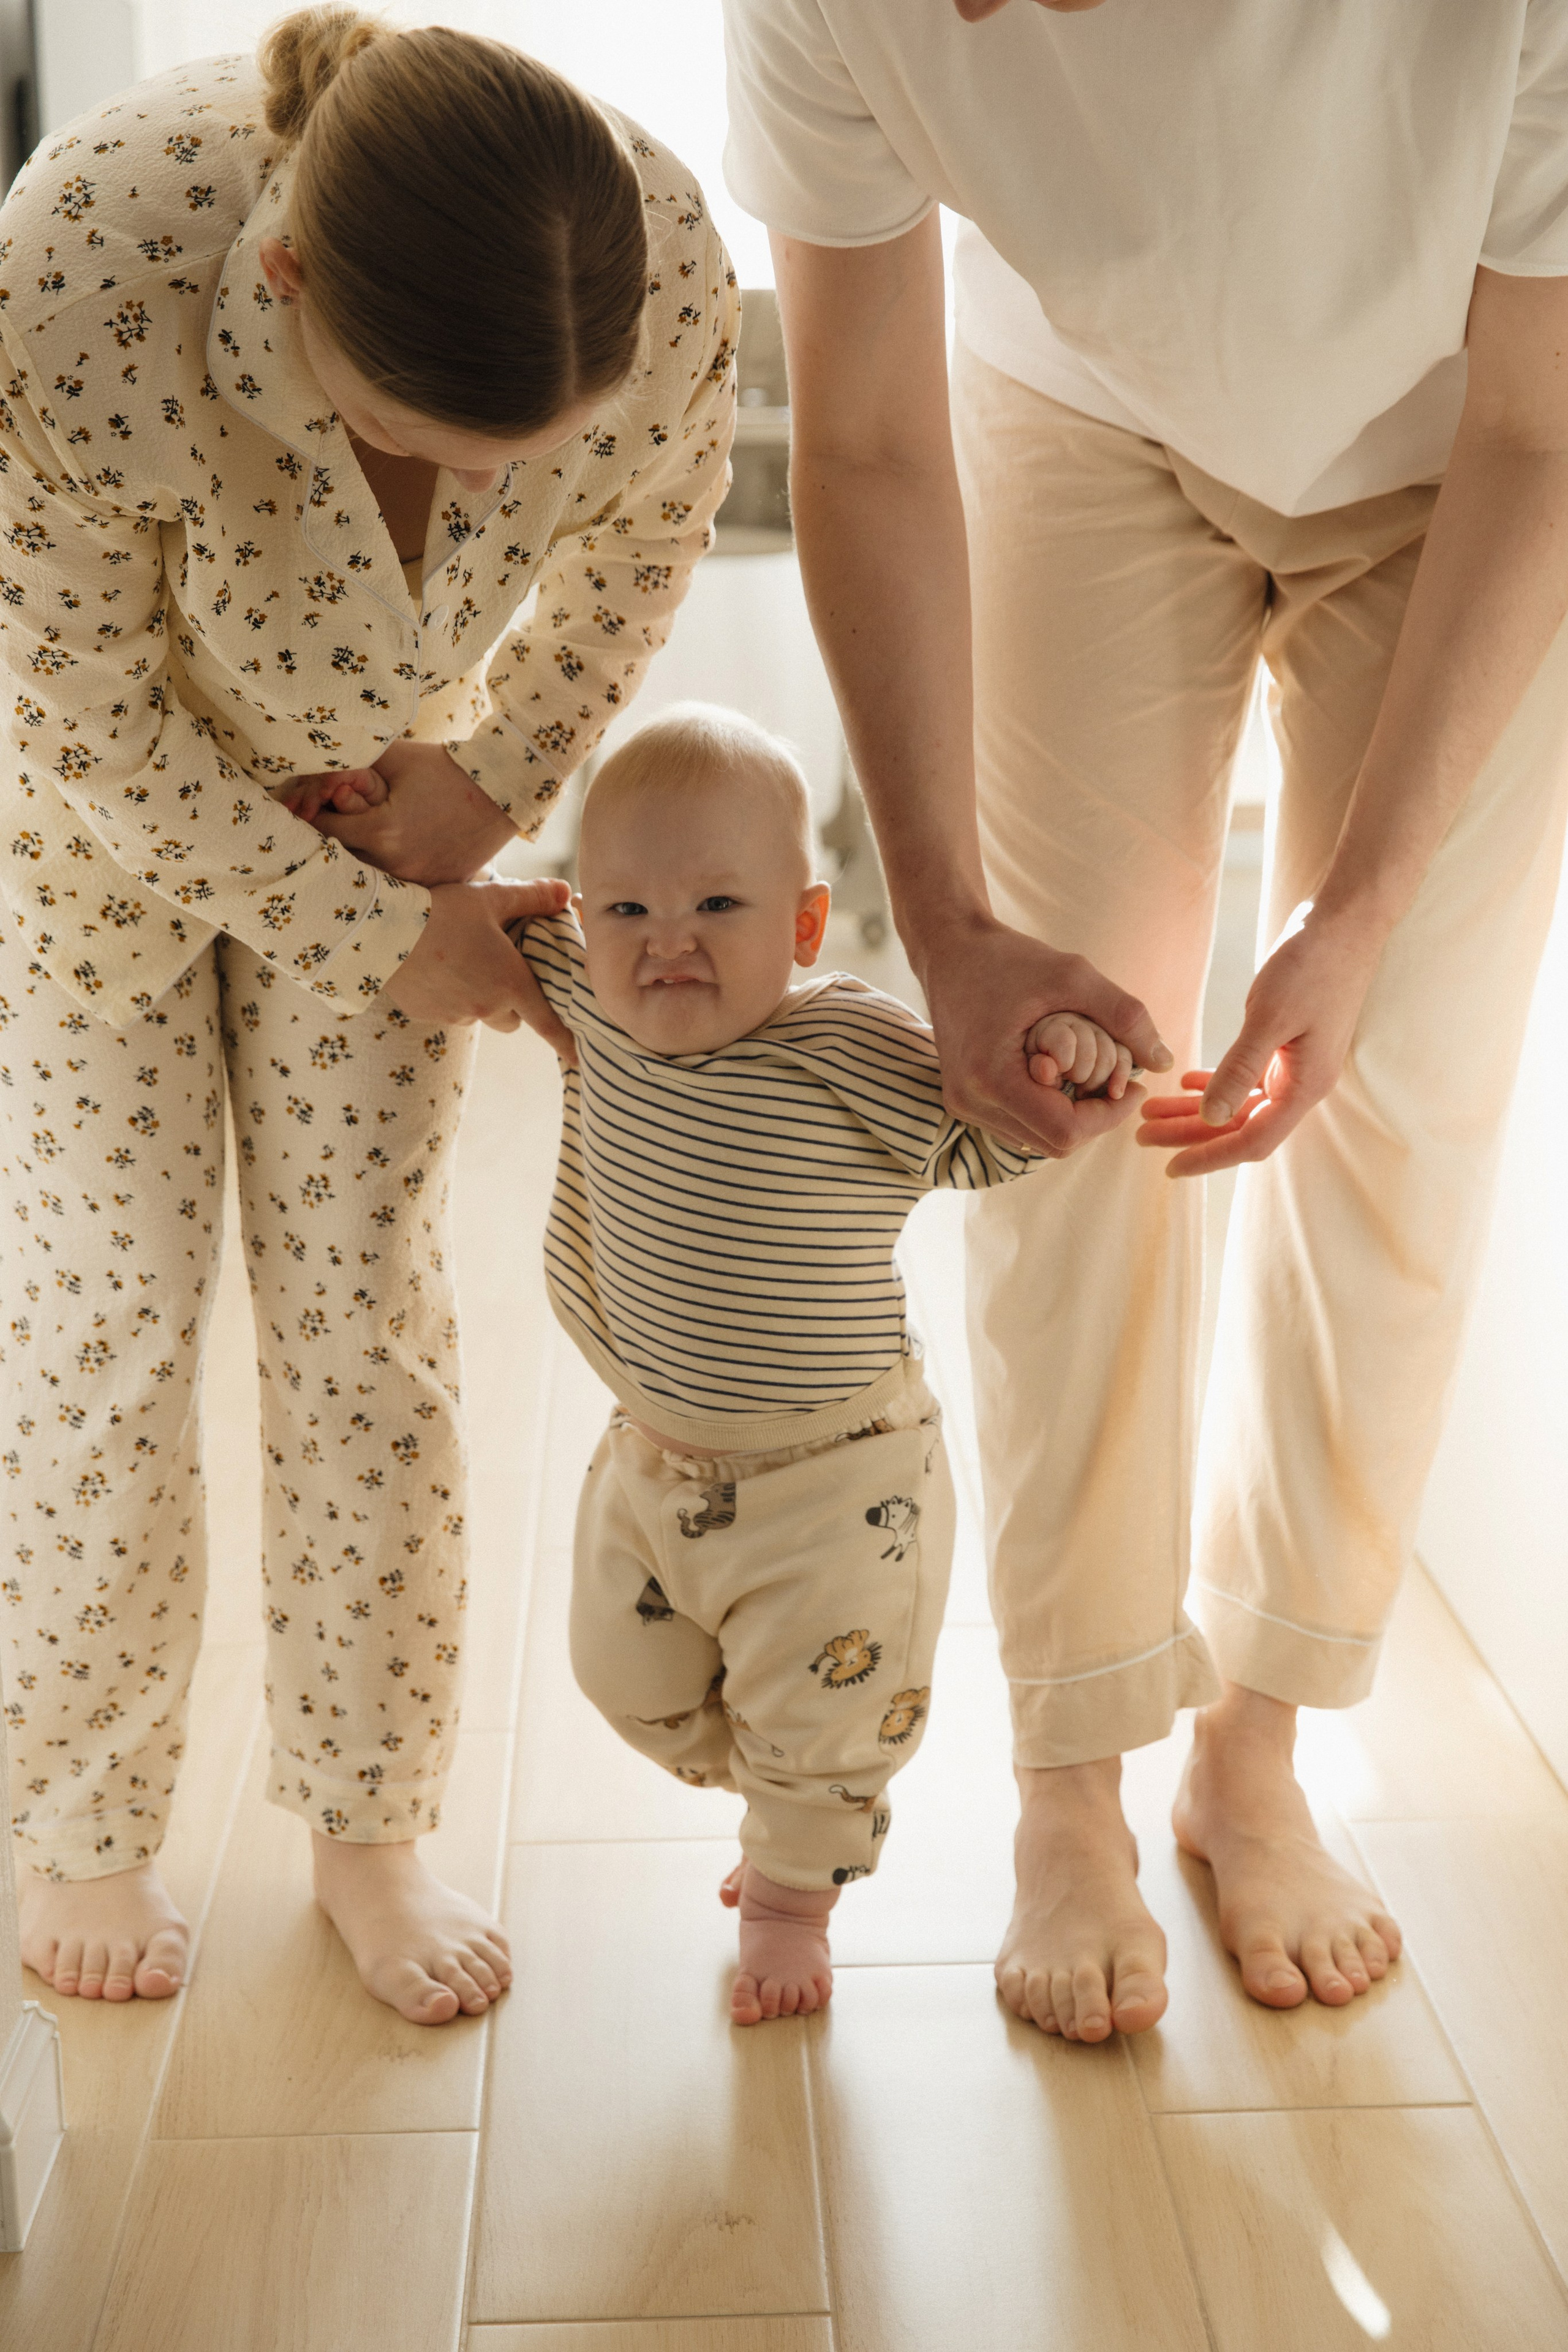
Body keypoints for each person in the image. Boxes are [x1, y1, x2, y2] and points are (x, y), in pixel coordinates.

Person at [720, 0, 1568, 2039]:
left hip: (1472, 440)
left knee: (1398, 1093)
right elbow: (855, 436)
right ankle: (1072, 1773)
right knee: (1058, 1099)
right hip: (1078, 416)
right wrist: (945, 930)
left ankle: (1258, 1747)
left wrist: (1354, 915)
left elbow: (1550, 433)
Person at [0, 7, 736, 2023]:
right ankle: (79, 1822)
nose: (482, 496)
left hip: (395, 808)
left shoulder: (649, 267)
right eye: (431, 445)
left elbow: (645, 541)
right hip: (96, 843)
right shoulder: (81, 275)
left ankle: (367, 1822)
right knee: (108, 1317)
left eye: (527, 462)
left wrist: (489, 781)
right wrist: (369, 933)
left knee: (362, 1316)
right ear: (292, 281)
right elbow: (74, 719)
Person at [502, 703, 1131, 2022]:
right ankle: (790, 1793)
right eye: (622, 911)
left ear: (800, 923)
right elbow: (473, 925)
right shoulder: (581, 994)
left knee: (829, 1730)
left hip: (836, 1486)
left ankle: (792, 1894)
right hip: (649, 1458)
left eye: (715, 903)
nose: (663, 941)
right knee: (616, 1678)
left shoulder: (848, 1046)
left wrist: (1057, 1063)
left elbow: (987, 1138)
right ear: (579, 913)